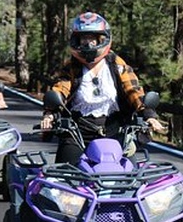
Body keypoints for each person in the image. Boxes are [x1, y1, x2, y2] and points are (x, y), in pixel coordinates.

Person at [40, 11, 165, 165]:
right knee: (64, 171)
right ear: (75, 40)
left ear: (102, 39)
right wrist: (50, 114)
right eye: (83, 38)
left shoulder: (117, 65)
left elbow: (133, 91)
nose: (88, 43)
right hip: (77, 130)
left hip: (115, 129)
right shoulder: (71, 68)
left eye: (92, 38)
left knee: (130, 170)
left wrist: (149, 114)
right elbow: (60, 89)